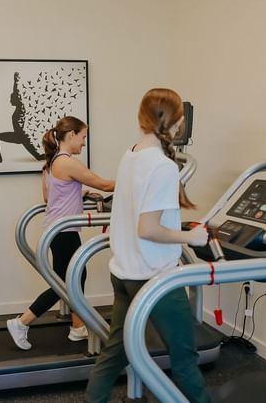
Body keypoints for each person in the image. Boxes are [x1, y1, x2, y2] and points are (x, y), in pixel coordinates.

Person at [84, 88, 211, 403]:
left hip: (124, 273)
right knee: (184, 359)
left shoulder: (131, 153)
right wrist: (191, 238)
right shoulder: (162, 166)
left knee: (115, 353)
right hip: (155, 277)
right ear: (177, 121)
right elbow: (149, 229)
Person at [7, 116, 115, 350]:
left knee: (75, 277)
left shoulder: (51, 163)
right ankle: (21, 322)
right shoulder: (68, 162)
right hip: (63, 231)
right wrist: (138, 181)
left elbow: (49, 197)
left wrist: (78, 193)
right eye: (83, 137)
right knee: (65, 283)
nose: (84, 142)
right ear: (72, 135)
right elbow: (105, 185)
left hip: (57, 230)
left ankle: (77, 327)